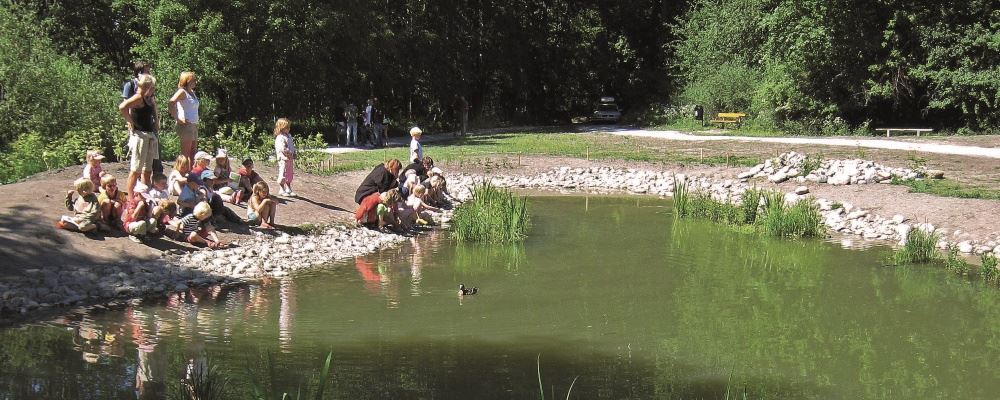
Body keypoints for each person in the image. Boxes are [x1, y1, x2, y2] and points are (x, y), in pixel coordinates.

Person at [119, 74, 160, 195]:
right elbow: (122, 107)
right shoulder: (138, 97)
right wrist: (129, 121)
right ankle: (131, 198)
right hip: (140, 135)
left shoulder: (149, 98)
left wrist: (157, 120)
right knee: (135, 170)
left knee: (147, 170)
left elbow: (154, 109)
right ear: (147, 86)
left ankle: (145, 195)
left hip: (150, 134)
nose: (153, 89)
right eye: (151, 86)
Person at [168, 71, 200, 161]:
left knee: (193, 153)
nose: (195, 82)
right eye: (193, 80)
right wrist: (177, 118)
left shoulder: (192, 92)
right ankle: (181, 172)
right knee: (185, 154)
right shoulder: (182, 92)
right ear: (187, 80)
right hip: (186, 125)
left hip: (194, 125)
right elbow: (171, 103)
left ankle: (190, 173)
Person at [274, 118, 297, 197]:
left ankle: (288, 188)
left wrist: (294, 153)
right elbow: (282, 148)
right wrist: (288, 153)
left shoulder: (289, 136)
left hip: (290, 158)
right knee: (283, 172)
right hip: (283, 158)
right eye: (286, 127)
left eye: (289, 127)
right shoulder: (280, 137)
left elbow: (292, 146)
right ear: (281, 127)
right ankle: (281, 188)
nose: (288, 129)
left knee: (289, 173)